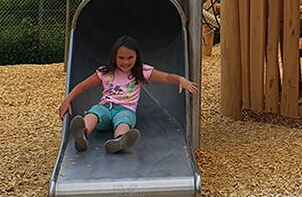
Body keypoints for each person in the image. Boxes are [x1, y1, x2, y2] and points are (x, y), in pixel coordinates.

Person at [57, 34, 198, 154]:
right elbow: (84, 85)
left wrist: (180, 79)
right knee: (94, 112)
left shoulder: (141, 71)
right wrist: (67, 100)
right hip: (106, 107)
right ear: (114, 57)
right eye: (121, 58)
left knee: (124, 121)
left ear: (137, 57)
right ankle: (83, 132)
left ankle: (120, 140)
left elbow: (165, 77)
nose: (125, 62)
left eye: (130, 57)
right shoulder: (106, 72)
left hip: (126, 109)